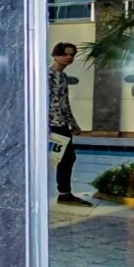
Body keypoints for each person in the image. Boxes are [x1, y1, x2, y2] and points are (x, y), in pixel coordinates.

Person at [50, 42, 91, 207]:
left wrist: (73, 123)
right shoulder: (47, 75)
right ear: (55, 55)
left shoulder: (63, 76)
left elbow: (64, 103)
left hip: (61, 124)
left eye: (72, 55)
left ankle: (64, 193)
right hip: (50, 125)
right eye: (65, 54)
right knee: (63, 158)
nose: (69, 57)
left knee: (66, 158)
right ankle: (64, 194)